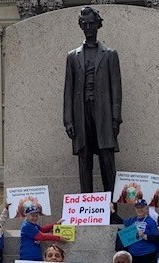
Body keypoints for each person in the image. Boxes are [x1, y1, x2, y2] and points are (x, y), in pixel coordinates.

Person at [63, 6, 122, 194]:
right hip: (82, 113)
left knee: (107, 158)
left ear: (98, 24)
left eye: (91, 23)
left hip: (103, 114)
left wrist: (115, 119)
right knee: (85, 158)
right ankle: (86, 204)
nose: (88, 27)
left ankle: (112, 208)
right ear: (81, 25)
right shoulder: (73, 56)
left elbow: (116, 89)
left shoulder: (110, 54)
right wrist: (68, 121)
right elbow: (68, 91)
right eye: (85, 24)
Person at [122, 199, 159, 263]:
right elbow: (120, 221)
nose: (140, 210)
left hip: (147, 255)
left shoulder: (150, 222)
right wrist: (112, 211)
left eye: (142, 207)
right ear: (135, 209)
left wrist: (144, 236)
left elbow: (156, 238)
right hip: (133, 255)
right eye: (137, 208)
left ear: (146, 208)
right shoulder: (131, 221)